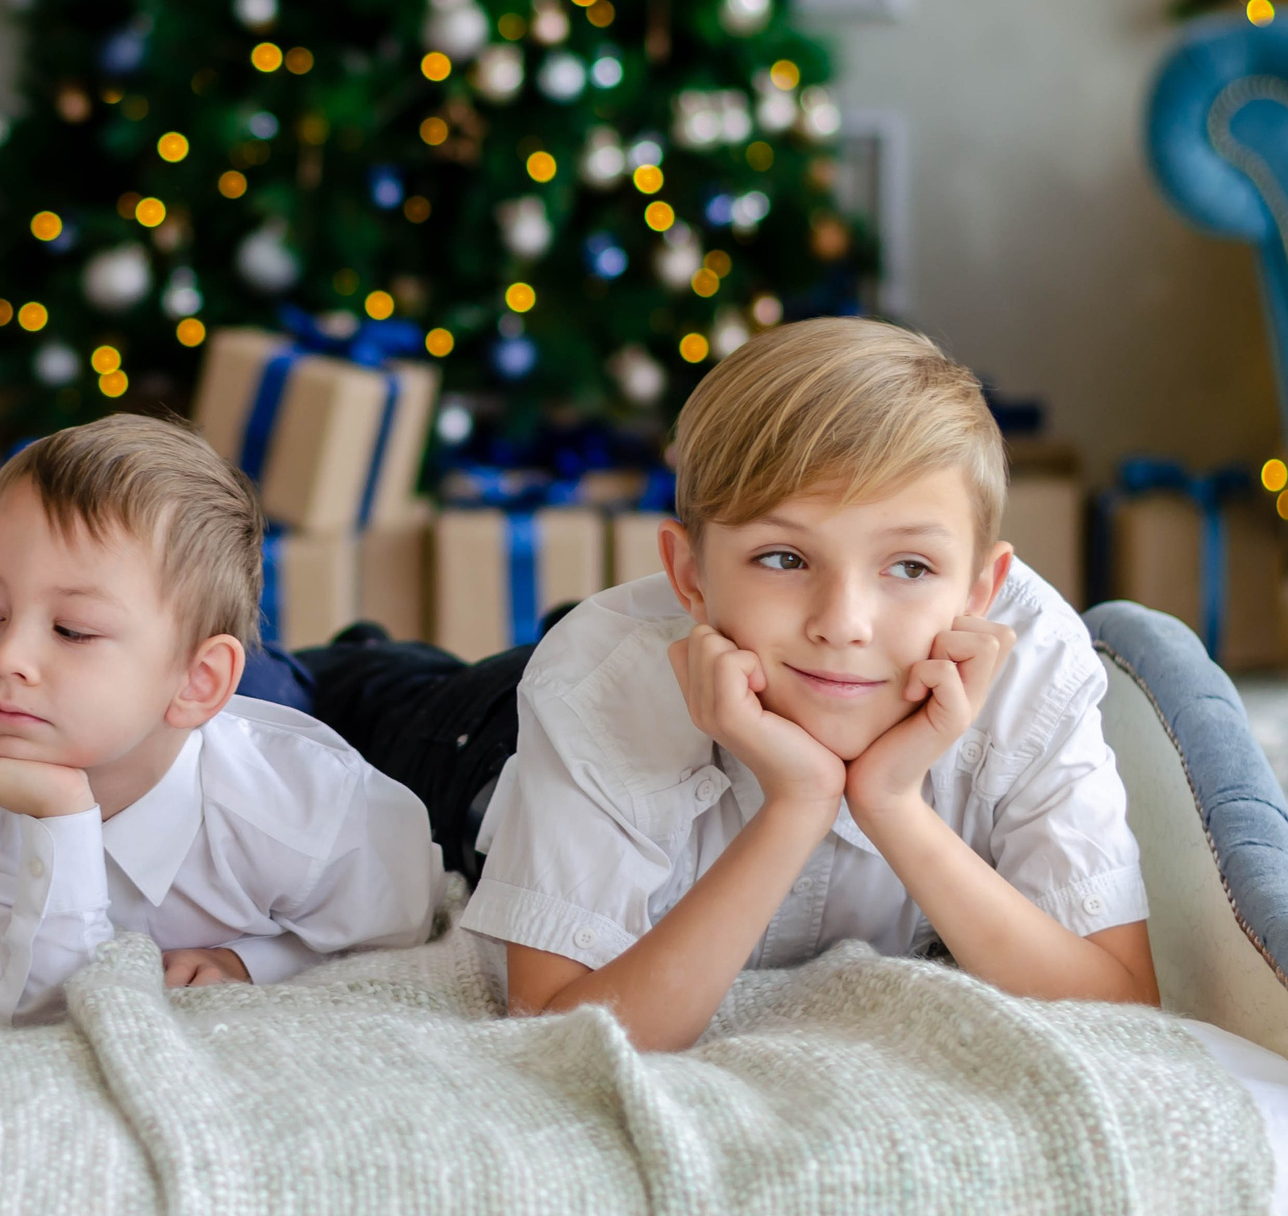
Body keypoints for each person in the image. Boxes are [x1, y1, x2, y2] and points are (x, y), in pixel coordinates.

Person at [461, 318, 1159, 1047]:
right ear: (689, 576)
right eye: (785, 559)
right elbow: (549, 1032)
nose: (843, 623)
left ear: (982, 590)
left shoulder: (1036, 672)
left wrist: (891, 803)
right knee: (365, 703)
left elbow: (1122, 1006)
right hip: (467, 739)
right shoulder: (597, 684)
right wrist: (798, 804)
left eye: (910, 567)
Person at [0, 414, 441, 1025]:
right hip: (173, 695)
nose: (7, 656)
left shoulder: (308, 811)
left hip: (289, 693)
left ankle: (358, 651)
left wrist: (256, 962)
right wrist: (62, 818)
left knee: (338, 680)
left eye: (73, 630)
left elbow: (404, 922)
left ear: (197, 682)